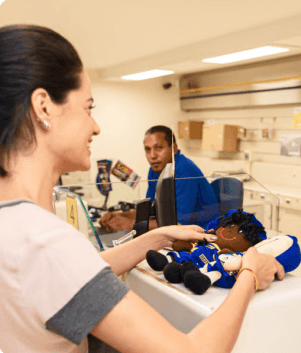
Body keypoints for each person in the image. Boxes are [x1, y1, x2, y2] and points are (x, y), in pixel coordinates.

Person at [0, 24, 284, 353]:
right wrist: (250, 273)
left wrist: (155, 237)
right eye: (88, 107)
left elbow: (68, 277)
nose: (95, 126)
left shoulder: (19, 227)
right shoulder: (45, 243)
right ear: (43, 107)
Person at [99, 126, 220, 231]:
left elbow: (178, 224)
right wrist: (119, 216)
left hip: (202, 235)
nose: (152, 156)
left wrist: (129, 224)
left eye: (158, 148)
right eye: (147, 149)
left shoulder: (184, 169)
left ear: (174, 148)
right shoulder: (155, 170)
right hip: (177, 233)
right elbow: (150, 212)